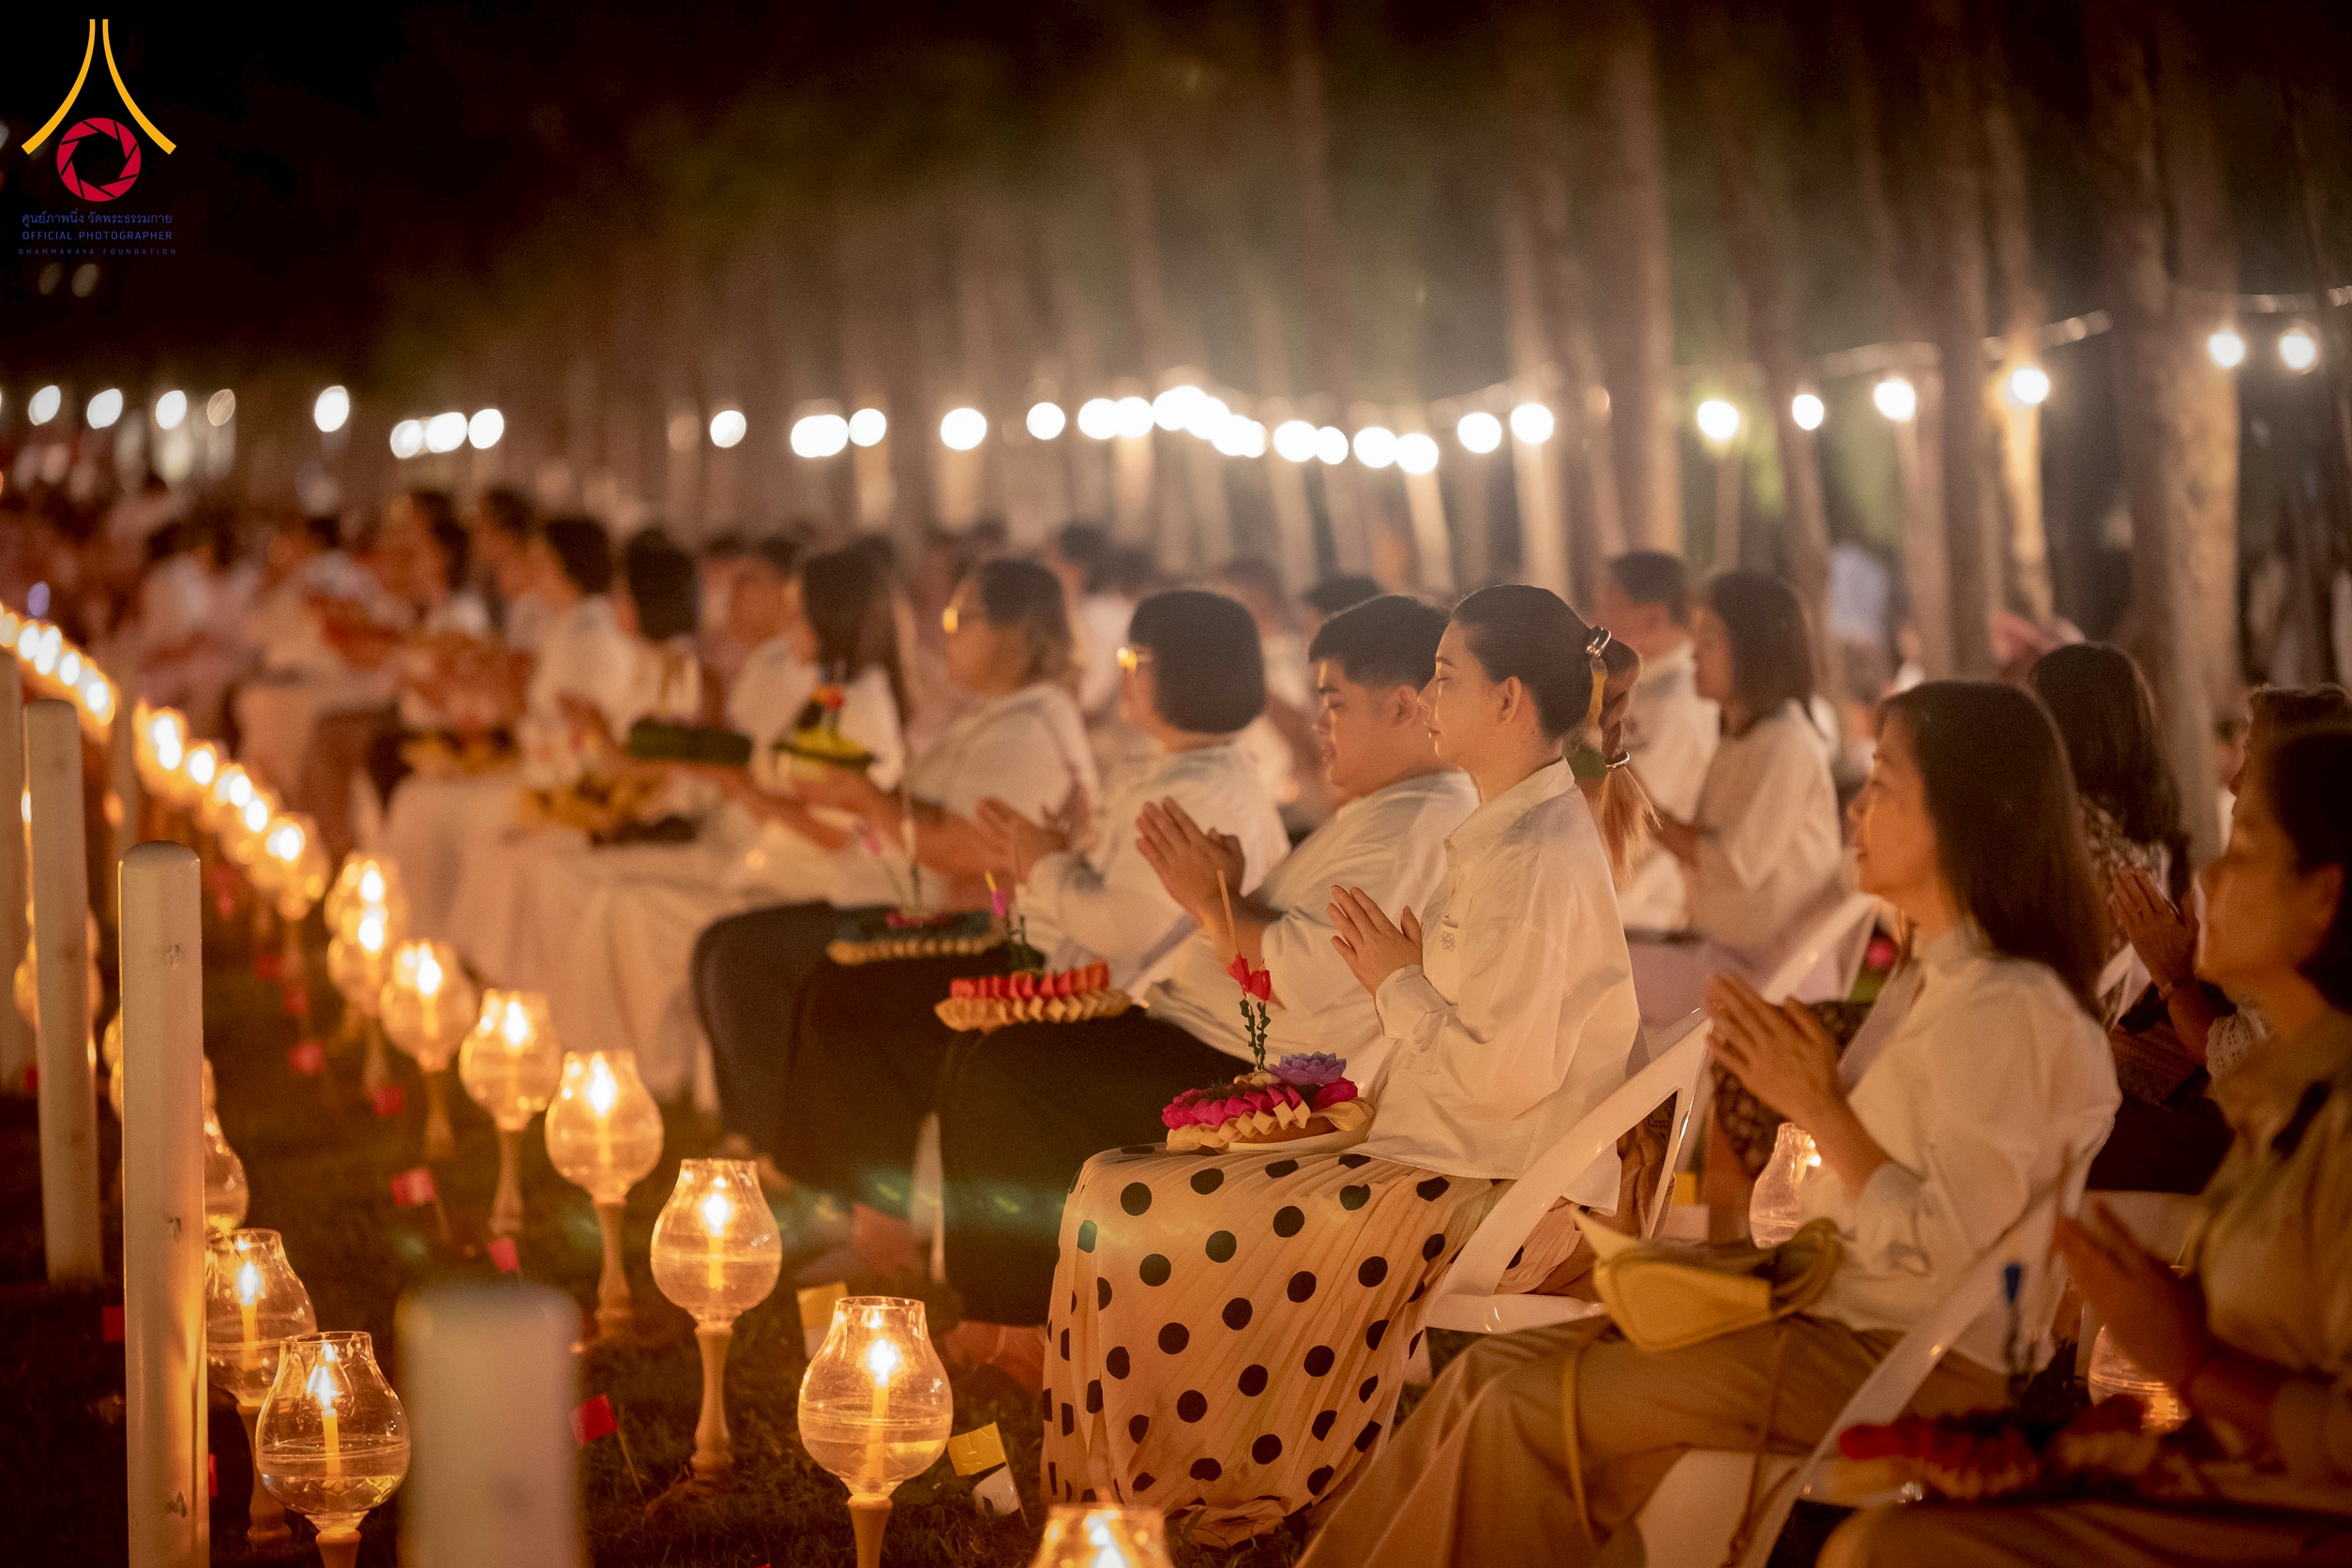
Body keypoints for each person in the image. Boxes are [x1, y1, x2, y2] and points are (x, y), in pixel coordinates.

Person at [1296, 681, 2120, 1567]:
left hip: (1893, 1366)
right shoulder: (1938, 982)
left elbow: (1953, 1250)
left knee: (1522, 1412)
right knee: (1487, 1375)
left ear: (1972, 813)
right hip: (1829, 1324)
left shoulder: (2006, 1007)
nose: (1856, 806)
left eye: (1883, 784)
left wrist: (1821, 1111)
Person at [1033, 585, 1647, 1545]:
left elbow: (1499, 1078)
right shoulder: (1515, 829)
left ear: (1510, 700)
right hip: (1450, 1148)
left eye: (1446, 678)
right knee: (1127, 1183)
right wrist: (1399, 976)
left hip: (1483, 1183)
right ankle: (1141, 1486)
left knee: (1132, 1201)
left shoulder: (1530, 852)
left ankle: (1174, 1491)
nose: (1431, 697)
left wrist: (1395, 980)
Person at [1823, 723, 2352, 1567]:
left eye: (2246, 849)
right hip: (2218, 1489)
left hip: (2287, 1526)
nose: (2211, 877)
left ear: (2324, 895)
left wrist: (2194, 1362)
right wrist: (2090, 1451)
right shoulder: (2281, 1100)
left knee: (1887, 1549)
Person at [933, 595, 1477, 1386]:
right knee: (989, 1055)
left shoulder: (1417, 821)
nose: (1317, 725)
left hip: (1250, 1073)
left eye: (1333, 704)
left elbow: (1311, 976)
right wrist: (1219, 895)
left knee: (1007, 1074)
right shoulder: (1393, 811)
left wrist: (1210, 898)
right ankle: (1002, 1310)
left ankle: (1023, 1326)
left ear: (1402, 706)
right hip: (1205, 1032)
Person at [777, 589, 1287, 1280]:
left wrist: (1042, 860)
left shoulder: (1195, 786)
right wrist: (1051, 856)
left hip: (1117, 998)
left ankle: (897, 1250)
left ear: (1186, 672)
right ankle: (875, 1230)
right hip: (1072, 967)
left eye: (1136, 657)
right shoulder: (1181, 771)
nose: (1124, 673)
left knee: (875, 1012)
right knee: (854, 993)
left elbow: (1121, 929)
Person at [692, 559, 1097, 1165]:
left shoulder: (1032, 726)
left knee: (769, 966)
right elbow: (941, 827)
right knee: (726, 946)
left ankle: (801, 1169)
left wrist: (867, 801)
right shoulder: (1000, 716)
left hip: (989, 940)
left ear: (1017, 631)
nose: (947, 628)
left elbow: (974, 848)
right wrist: (867, 805)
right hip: (917, 906)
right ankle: (766, 1145)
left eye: (964, 616)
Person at [1632, 569, 1842, 1027]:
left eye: (1709, 641)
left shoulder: (1787, 743)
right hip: (1727, 959)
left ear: (1755, 649)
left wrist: (1635, 799)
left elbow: (1733, 863)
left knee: (1594, 977)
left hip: (1771, 978)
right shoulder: (1743, 737)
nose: (1693, 654)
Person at [1593, 550, 1719, 930]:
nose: (1595, 623)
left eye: (1608, 607)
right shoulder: (1646, 690)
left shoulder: (1680, 704)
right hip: (1620, 903)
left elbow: (1629, 813)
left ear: (1654, 617)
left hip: (1646, 913)